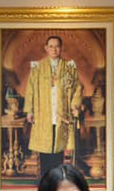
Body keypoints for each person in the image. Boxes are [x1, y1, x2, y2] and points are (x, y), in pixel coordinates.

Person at [24, 35, 83, 176]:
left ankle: (57, 179)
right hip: (43, 112)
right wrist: (29, 111)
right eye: (51, 46)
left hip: (62, 113)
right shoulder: (37, 67)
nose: (54, 49)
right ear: (46, 48)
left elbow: (77, 87)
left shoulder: (69, 67)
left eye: (57, 46)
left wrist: (75, 105)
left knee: (59, 147)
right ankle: (45, 179)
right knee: (44, 148)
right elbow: (30, 89)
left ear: (61, 48)